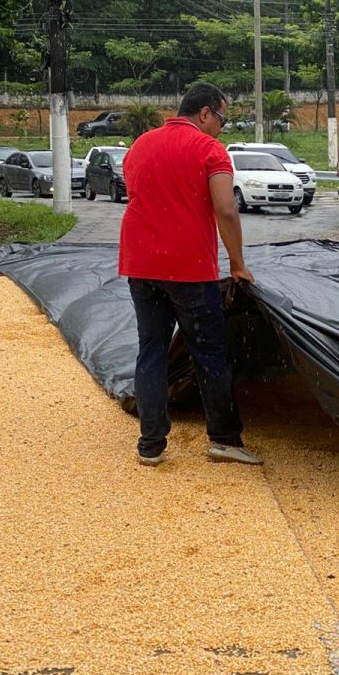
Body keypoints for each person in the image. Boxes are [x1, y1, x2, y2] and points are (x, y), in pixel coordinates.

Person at [118, 82, 263, 467]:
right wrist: (237, 264)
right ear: (205, 113)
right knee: (209, 352)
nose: (221, 128)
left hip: (140, 265)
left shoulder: (139, 146)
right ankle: (224, 440)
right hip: (189, 270)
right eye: (222, 119)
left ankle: (151, 445)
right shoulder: (209, 150)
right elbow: (226, 208)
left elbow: (139, 196)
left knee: (151, 349)